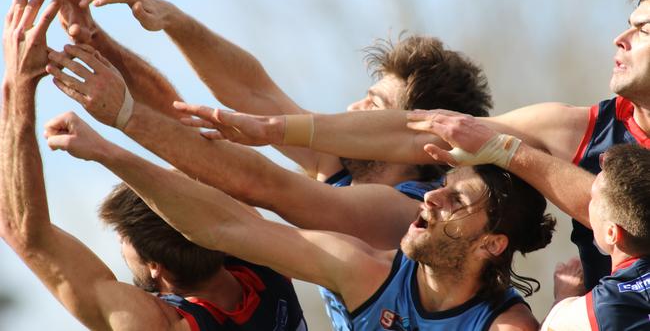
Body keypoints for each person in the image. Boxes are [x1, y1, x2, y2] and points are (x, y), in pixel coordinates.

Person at [188, 0, 650, 291]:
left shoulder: (410, 206)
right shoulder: (583, 125)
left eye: (643, 28)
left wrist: (512, 153)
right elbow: (418, 132)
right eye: (626, 25)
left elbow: (632, 216)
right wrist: (273, 127)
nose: (620, 38)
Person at [44, 109, 556, 330]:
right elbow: (224, 227)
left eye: (457, 200)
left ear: (492, 244)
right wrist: (113, 149)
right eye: (440, 186)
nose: (432, 199)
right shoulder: (366, 272)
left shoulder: (506, 325)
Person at [0, 0, 306, 331]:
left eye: (124, 241)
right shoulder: (271, 263)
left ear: (155, 266)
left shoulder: (158, 323)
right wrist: (94, 39)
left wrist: (18, 82)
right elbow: (186, 133)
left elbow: (21, 229)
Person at [384, 111, 650, 330]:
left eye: (591, 200)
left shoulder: (595, 310)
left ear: (612, 234)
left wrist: (565, 295)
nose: (581, 207)